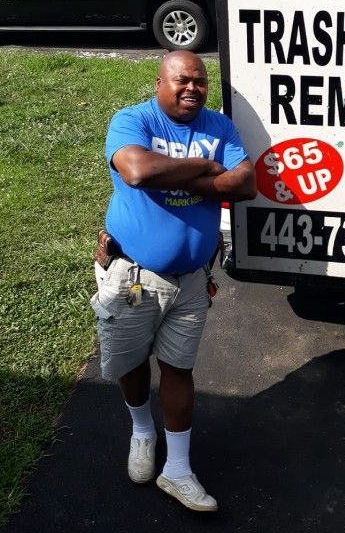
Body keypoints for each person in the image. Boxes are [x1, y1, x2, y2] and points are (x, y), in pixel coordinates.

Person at [90, 51, 256, 512]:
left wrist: (175, 175)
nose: (192, 89)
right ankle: (142, 432)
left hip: (191, 280)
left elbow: (245, 185)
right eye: (182, 80)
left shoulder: (218, 127)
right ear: (159, 82)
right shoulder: (132, 120)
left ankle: (177, 470)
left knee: (180, 369)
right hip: (135, 277)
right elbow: (138, 171)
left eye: (200, 82)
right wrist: (206, 170)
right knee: (132, 363)